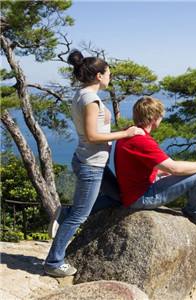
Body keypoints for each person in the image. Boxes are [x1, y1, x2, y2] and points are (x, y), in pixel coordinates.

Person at [44, 50, 145, 277]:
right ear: (99, 76)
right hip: (91, 165)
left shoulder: (82, 94)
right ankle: (53, 262)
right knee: (80, 216)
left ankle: (66, 213)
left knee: (119, 197)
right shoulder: (90, 100)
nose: (110, 77)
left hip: (90, 160)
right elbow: (92, 136)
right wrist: (126, 134)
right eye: (108, 73)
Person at [114, 96, 196, 234]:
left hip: (133, 191)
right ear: (154, 118)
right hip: (141, 197)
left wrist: (159, 173)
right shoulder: (141, 141)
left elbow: (135, 167)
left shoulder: (129, 133)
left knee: (185, 172)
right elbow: (174, 168)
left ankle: (195, 213)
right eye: (161, 116)